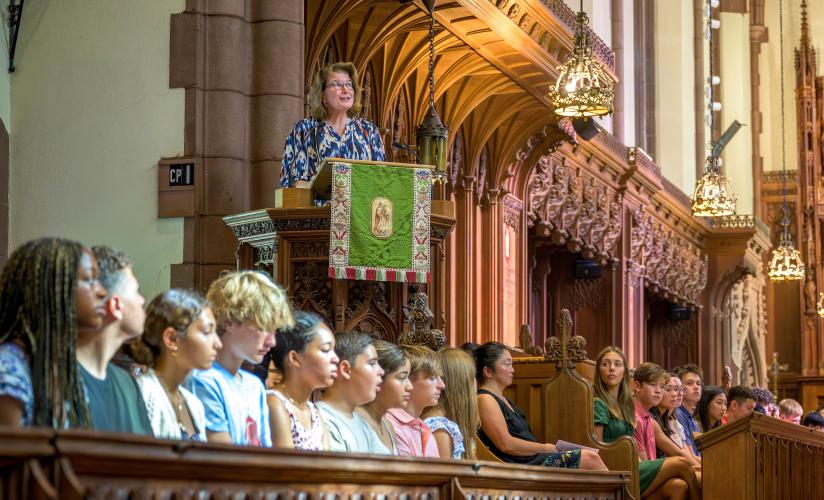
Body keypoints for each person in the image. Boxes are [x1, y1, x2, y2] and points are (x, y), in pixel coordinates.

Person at [0, 238, 106, 428]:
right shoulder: (7, 368)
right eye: (90, 279)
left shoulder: (64, 370)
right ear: (52, 288)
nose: (102, 292)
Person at [185, 271, 294, 446]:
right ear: (228, 321)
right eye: (263, 327)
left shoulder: (254, 386)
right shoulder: (203, 380)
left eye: (274, 331)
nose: (272, 341)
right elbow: (223, 458)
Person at [475, 342, 606, 470]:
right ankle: (621, 492)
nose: (512, 369)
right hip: (521, 466)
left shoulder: (504, 399)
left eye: (512, 364)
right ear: (488, 371)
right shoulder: (485, 399)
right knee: (589, 458)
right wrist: (544, 448)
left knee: (590, 458)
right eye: (507, 364)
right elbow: (505, 444)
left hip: (533, 459)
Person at [592, 348, 699, 499]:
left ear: (624, 371)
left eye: (617, 364)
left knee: (678, 487)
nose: (612, 368)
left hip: (633, 465)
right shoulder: (598, 403)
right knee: (682, 463)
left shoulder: (624, 406)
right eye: (606, 364)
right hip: (616, 469)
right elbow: (597, 447)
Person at [75, 246, 152, 435]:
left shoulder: (127, 383)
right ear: (116, 305)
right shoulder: (60, 378)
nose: (142, 300)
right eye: (136, 291)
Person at [131, 289, 222, 441]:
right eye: (207, 332)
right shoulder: (145, 395)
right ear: (172, 339)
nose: (218, 344)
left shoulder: (194, 405)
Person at [280, 61, 385, 188]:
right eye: (336, 85)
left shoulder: (369, 131)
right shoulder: (303, 129)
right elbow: (291, 182)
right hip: (318, 207)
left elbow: (381, 179)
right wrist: (326, 189)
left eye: (349, 84)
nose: (345, 90)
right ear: (322, 94)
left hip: (359, 207)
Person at [267, 312, 339, 451]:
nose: (335, 358)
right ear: (295, 358)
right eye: (325, 350)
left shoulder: (313, 411)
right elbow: (289, 469)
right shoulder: (275, 403)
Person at [317, 331, 387, 454]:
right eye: (372, 363)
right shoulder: (323, 419)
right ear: (346, 369)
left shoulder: (361, 424)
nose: (381, 371)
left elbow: (388, 466)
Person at [385, 345, 444, 458]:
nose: (442, 385)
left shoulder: (421, 425)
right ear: (408, 379)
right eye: (432, 378)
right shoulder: (392, 425)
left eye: (440, 378)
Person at [422, 347, 479, 459]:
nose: (476, 382)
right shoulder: (440, 430)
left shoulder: (450, 422)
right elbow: (444, 476)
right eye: (473, 377)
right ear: (463, 384)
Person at [358, 340, 412, 454]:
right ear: (379, 377)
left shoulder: (388, 426)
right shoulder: (357, 421)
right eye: (402, 378)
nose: (410, 387)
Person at [650, 373, 701, 468]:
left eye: (679, 389)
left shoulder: (671, 420)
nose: (677, 394)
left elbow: (687, 454)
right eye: (669, 389)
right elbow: (678, 453)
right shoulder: (652, 420)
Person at [672, 364, 704, 456]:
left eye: (698, 383)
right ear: (679, 388)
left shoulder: (690, 417)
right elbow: (690, 455)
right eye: (689, 383)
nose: (696, 387)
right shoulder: (678, 414)